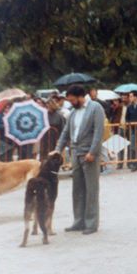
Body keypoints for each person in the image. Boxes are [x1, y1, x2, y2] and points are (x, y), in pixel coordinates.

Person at [53, 85, 105, 235]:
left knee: (91, 190)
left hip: (89, 155)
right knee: (78, 190)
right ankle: (78, 221)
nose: (70, 103)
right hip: (76, 154)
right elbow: (65, 132)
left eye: (72, 100)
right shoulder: (73, 112)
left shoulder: (96, 108)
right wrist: (57, 150)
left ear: (80, 96)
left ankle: (91, 223)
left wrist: (93, 152)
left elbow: (98, 132)